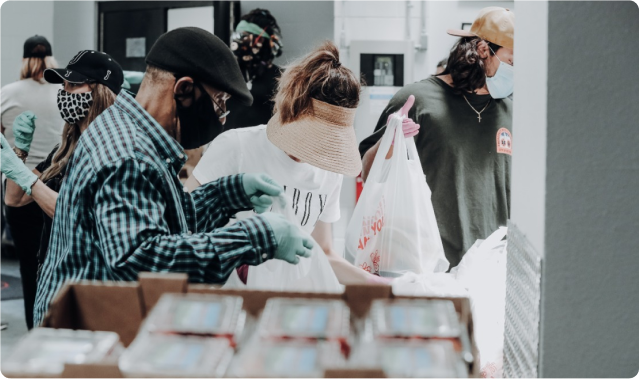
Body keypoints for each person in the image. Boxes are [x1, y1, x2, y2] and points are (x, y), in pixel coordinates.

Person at [31, 27, 313, 326]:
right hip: (84, 336)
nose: (222, 117)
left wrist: (228, 193)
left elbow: (164, 222)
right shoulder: (130, 155)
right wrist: (256, 236)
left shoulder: (130, 130)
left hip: (94, 318)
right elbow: (144, 261)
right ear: (184, 89)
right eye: (219, 102)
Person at [187, 41, 380, 285]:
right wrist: (237, 249)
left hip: (288, 302)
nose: (313, 148)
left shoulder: (328, 173)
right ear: (290, 111)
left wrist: (381, 285)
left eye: (326, 140)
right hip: (230, 300)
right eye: (311, 134)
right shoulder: (236, 148)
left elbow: (324, 253)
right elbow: (184, 223)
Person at [359, 7, 514, 268]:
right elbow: (368, 173)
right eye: (513, 61)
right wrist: (391, 142)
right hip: (425, 266)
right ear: (484, 50)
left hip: (492, 267)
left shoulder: (510, 112)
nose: (516, 71)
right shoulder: (417, 101)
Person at [2, 50, 123, 288]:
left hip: (89, 277)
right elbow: (14, 199)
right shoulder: (64, 150)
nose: (64, 93)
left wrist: (26, 176)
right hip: (55, 271)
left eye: (73, 85)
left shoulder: (113, 150)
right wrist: (20, 152)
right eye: (64, 85)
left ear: (100, 91)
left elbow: (75, 215)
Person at [0, 35, 63, 328]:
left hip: (18, 182)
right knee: (58, 260)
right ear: (51, 59)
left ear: (24, 59)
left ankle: (33, 331)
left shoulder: (8, 92)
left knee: (29, 266)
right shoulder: (63, 90)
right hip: (56, 181)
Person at [225, 8, 283, 131]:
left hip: (262, 146)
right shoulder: (226, 74)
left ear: (262, 41)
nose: (239, 42)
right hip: (228, 145)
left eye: (244, 37)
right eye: (237, 36)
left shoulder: (280, 78)